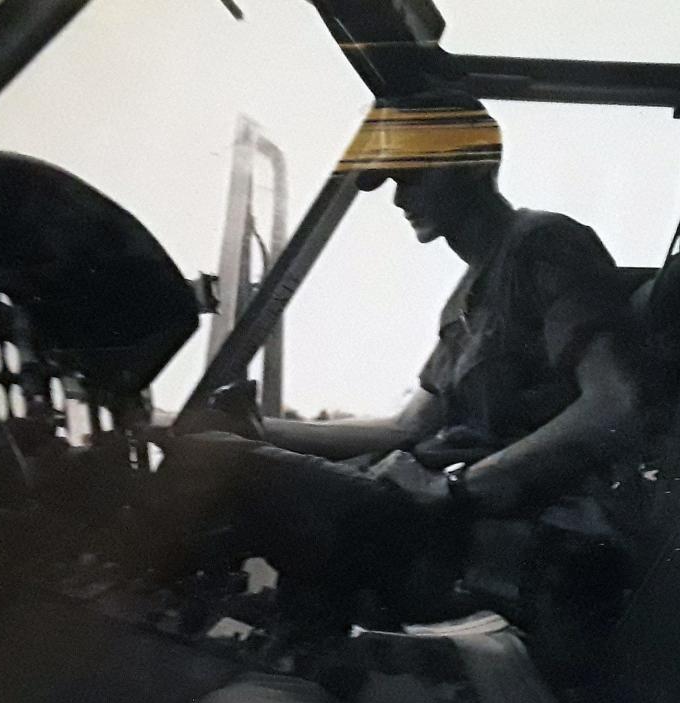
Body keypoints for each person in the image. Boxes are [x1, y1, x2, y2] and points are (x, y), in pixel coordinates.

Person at [154, 91, 642, 619]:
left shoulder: (543, 243)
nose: (398, 199)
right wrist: (257, 429)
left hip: (514, 529)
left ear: (475, 162)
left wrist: (457, 487)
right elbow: (405, 429)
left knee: (214, 468)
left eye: (412, 176)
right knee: (211, 457)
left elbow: (617, 404)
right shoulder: (465, 297)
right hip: (439, 517)